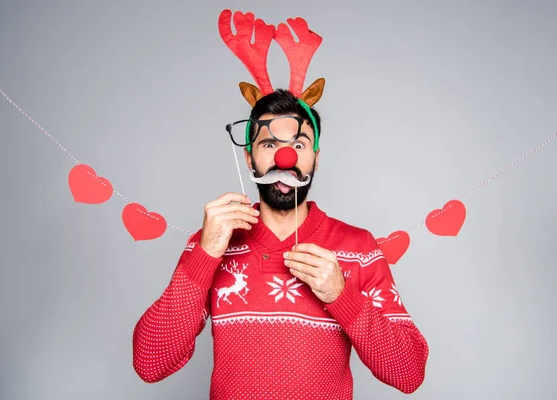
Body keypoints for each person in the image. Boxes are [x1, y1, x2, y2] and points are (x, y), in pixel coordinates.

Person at [132, 9, 429, 400]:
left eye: (299, 145)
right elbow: (151, 362)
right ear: (250, 158)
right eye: (269, 144)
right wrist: (205, 253)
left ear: (316, 159)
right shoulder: (212, 243)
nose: (284, 159)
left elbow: (408, 373)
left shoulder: (359, 249)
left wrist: (343, 295)